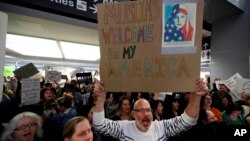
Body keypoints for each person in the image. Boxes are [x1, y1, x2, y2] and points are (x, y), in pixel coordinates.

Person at [92, 78, 208, 141]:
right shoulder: (124, 128)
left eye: (148, 110)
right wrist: (101, 97)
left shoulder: (162, 128)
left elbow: (188, 121)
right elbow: (99, 125)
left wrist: (196, 96)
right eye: (141, 110)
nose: (146, 114)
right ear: (133, 114)